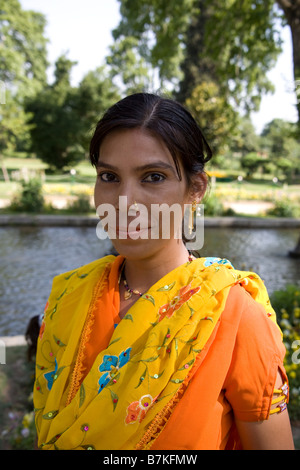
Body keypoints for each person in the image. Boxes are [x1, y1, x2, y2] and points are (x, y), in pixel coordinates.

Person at [33, 93, 294, 450]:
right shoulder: (68, 298)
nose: (125, 202)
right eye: (109, 176)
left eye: (153, 177)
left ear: (195, 189)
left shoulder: (234, 318)